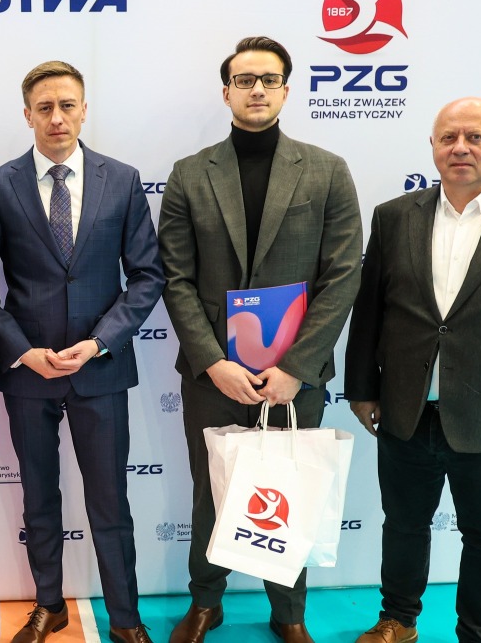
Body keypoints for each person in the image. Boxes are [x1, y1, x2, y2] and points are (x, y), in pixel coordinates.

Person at [159, 36, 362, 643]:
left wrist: (297, 367)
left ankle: (289, 612)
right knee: (210, 492)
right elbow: (176, 278)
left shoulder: (327, 169)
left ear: (286, 90)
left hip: (294, 376)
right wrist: (212, 362)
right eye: (244, 80)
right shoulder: (190, 173)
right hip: (215, 375)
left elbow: (342, 275)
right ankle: (206, 602)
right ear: (226, 92)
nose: (257, 89)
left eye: (269, 80)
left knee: (289, 489)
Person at [0, 61, 164, 643]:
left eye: (67, 106)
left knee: (110, 502)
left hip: (101, 368)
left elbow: (147, 275)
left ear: (84, 110)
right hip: (29, 373)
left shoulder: (122, 180)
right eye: (44, 108)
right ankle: (48, 604)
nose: (56, 117)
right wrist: (21, 350)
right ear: (27, 115)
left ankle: (126, 619)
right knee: (38, 498)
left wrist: (100, 342)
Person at [345, 97, 481, 643]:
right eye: (448, 138)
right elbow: (370, 309)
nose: (460, 148)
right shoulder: (394, 216)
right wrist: (362, 388)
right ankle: (398, 620)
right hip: (406, 407)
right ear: (433, 147)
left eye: (475, 137)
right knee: (404, 524)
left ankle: (480, 632)